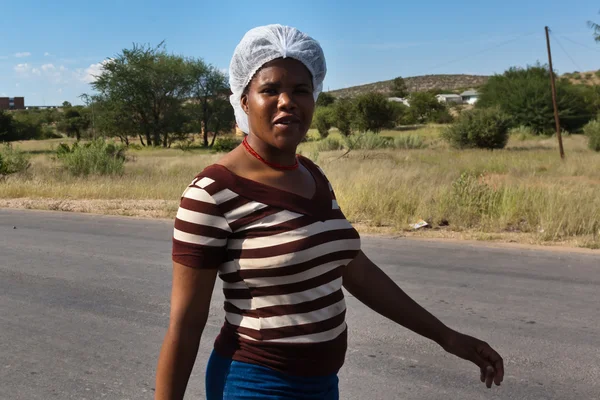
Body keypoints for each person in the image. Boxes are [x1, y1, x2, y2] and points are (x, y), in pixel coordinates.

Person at [154, 24, 504, 400]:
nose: (287, 101)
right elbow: (186, 325)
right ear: (243, 100)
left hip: (323, 385)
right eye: (270, 89)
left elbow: (356, 269)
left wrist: (446, 336)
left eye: (300, 90)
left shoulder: (312, 175)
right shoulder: (213, 193)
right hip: (255, 384)